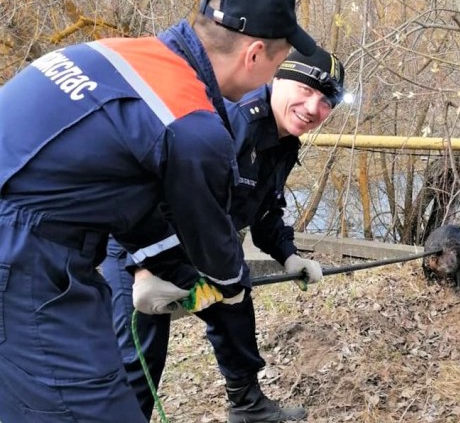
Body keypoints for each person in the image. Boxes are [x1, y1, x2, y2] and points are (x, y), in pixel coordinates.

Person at [0, 0, 315, 423]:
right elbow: (213, 245)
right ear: (254, 55)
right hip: (24, 255)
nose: (272, 77)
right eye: (278, 62)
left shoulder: (116, 53)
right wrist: (224, 287)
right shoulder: (193, 124)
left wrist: (163, 267)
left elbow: (115, 185)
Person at [102, 47, 346, 422]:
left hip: (205, 244)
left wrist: (289, 255)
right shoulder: (232, 121)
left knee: (236, 316)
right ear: (278, 78)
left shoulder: (283, 142)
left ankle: (248, 406)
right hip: (143, 242)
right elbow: (149, 190)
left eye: (326, 100)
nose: (314, 107)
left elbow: (265, 211)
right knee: (140, 361)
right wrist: (142, 268)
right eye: (306, 89)